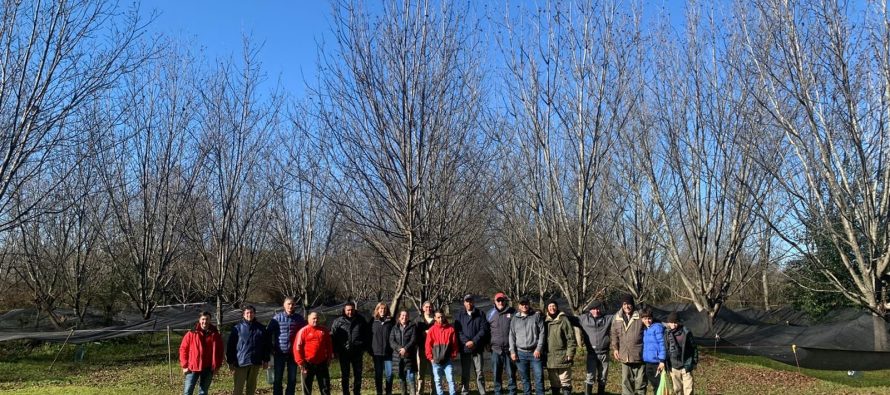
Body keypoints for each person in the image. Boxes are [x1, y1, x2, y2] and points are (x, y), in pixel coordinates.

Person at [268, 297, 308, 395]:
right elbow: (268, 333)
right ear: (284, 305)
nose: (290, 306)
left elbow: (305, 334)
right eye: (288, 304)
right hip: (279, 352)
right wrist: (271, 348)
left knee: (292, 378)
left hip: (294, 354)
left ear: (294, 305)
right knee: (277, 378)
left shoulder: (299, 319)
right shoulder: (276, 318)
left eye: (292, 304)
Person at [226, 305, 270, 395]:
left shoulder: (261, 328)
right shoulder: (237, 328)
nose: (249, 314)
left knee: (251, 389)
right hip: (240, 363)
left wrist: (266, 359)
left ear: (254, 314)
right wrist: (230, 362)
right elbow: (231, 346)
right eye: (247, 313)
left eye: (251, 312)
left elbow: (266, 345)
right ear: (243, 314)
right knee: (238, 389)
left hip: (255, 362)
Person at [179, 311, 224, 395]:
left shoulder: (215, 334)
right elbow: (183, 349)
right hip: (192, 367)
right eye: (203, 319)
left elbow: (220, 351)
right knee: (187, 391)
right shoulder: (191, 333)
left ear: (210, 320)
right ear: (199, 320)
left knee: (203, 392)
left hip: (208, 368)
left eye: (207, 319)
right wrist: (184, 365)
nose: (205, 321)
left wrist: (217, 366)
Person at [453, 294, 489, 395]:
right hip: (465, 349)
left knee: (479, 372)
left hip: (477, 348)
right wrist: (466, 342)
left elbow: (484, 329)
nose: (469, 303)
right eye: (467, 301)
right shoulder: (459, 315)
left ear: (473, 302)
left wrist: (474, 341)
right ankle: (465, 391)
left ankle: (482, 391)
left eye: (470, 301)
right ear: (464, 303)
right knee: (465, 372)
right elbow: (458, 331)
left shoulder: (480, 314)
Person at [331, 302, 369, 395]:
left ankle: (357, 392)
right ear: (344, 310)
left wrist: (363, 348)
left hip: (357, 352)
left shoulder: (361, 320)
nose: (350, 312)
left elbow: (367, 335)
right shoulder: (338, 321)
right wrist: (335, 351)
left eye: (352, 309)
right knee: (345, 375)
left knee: (358, 375)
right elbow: (333, 337)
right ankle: (345, 393)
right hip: (343, 353)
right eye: (348, 310)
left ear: (354, 310)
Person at [508, 298, 545, 395]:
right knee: (525, 379)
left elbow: (542, 333)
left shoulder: (536, 316)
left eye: (526, 304)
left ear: (529, 304)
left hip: (535, 353)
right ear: (519, 306)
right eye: (522, 304)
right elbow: (511, 336)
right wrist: (512, 351)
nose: (524, 306)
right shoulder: (514, 319)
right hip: (521, 354)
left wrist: (539, 348)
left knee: (539, 377)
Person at [611, 295, 644, 395]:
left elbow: (651, 325)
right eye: (624, 304)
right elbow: (614, 333)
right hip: (624, 355)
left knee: (640, 382)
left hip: (639, 354)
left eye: (629, 304)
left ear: (632, 305)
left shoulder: (640, 315)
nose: (627, 306)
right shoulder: (617, 317)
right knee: (626, 382)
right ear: (622, 305)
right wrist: (615, 348)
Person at [294, 312, 334, 395]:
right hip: (307, 364)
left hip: (322, 363)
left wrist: (329, 357)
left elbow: (329, 345)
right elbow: (297, 347)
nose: (315, 320)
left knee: (325, 388)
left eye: (317, 318)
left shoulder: (324, 330)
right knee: (307, 389)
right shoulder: (303, 331)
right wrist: (300, 362)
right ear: (308, 319)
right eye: (313, 318)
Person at [579, 301, 613, 395]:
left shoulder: (607, 318)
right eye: (594, 309)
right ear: (590, 310)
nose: (596, 311)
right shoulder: (583, 319)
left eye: (598, 308)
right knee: (590, 377)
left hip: (604, 353)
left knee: (603, 378)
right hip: (591, 354)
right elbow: (570, 319)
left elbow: (619, 315)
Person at [544, 300, 576, 395]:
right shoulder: (544, 321)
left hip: (563, 355)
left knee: (565, 381)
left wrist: (570, 353)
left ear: (557, 307)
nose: (552, 308)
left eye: (554, 306)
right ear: (547, 308)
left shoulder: (563, 320)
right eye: (550, 306)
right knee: (554, 382)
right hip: (550, 357)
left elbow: (571, 338)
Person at [487, 292, 516, 395]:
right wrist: (488, 345)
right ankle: (498, 392)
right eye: (498, 300)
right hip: (495, 350)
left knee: (511, 374)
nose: (500, 302)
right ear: (495, 301)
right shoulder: (490, 314)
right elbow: (486, 331)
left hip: (509, 350)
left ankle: (512, 392)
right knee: (496, 374)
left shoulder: (513, 312)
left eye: (502, 300)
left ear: (505, 301)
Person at [426, 309, 459, 395]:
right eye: (438, 317)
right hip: (436, 361)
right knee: (438, 381)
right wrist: (430, 358)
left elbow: (454, 344)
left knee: (451, 380)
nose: (441, 319)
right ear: (435, 318)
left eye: (442, 317)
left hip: (447, 361)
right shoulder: (432, 330)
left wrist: (453, 355)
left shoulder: (450, 329)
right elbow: (428, 345)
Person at [664, 312, 697, 395]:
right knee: (677, 389)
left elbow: (694, 347)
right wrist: (665, 363)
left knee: (689, 389)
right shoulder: (666, 334)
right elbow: (666, 349)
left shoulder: (686, 333)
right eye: (672, 322)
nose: (674, 325)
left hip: (686, 364)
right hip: (673, 366)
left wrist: (694, 361)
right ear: (668, 323)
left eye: (675, 322)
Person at [391, 310, 418, 395]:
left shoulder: (413, 326)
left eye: (406, 315)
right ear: (399, 317)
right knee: (401, 377)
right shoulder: (394, 327)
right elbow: (391, 341)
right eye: (402, 315)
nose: (404, 317)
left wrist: (405, 349)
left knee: (410, 377)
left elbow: (413, 340)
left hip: (409, 356)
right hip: (398, 356)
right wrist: (400, 349)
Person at [371, 302, 396, 395]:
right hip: (377, 354)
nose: (382, 310)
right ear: (377, 310)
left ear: (387, 310)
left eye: (384, 309)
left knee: (389, 375)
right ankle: (379, 392)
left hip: (388, 354)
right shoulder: (372, 321)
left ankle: (388, 392)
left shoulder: (391, 322)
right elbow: (368, 337)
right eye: (380, 308)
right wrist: (371, 350)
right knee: (378, 375)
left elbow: (395, 336)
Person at [640, 308, 666, 394]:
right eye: (645, 318)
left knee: (658, 385)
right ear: (642, 319)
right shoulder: (645, 329)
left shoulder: (657, 328)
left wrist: (662, 361)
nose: (647, 320)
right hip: (648, 362)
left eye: (649, 318)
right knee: (654, 384)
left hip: (657, 362)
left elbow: (662, 344)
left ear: (652, 318)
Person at [415, 301, 436, 395]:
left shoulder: (436, 320)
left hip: (434, 351)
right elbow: (414, 335)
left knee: (434, 373)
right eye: (426, 307)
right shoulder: (418, 320)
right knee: (420, 374)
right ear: (423, 308)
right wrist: (422, 333)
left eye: (430, 307)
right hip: (421, 350)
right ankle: (419, 392)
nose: (428, 309)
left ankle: (434, 392)